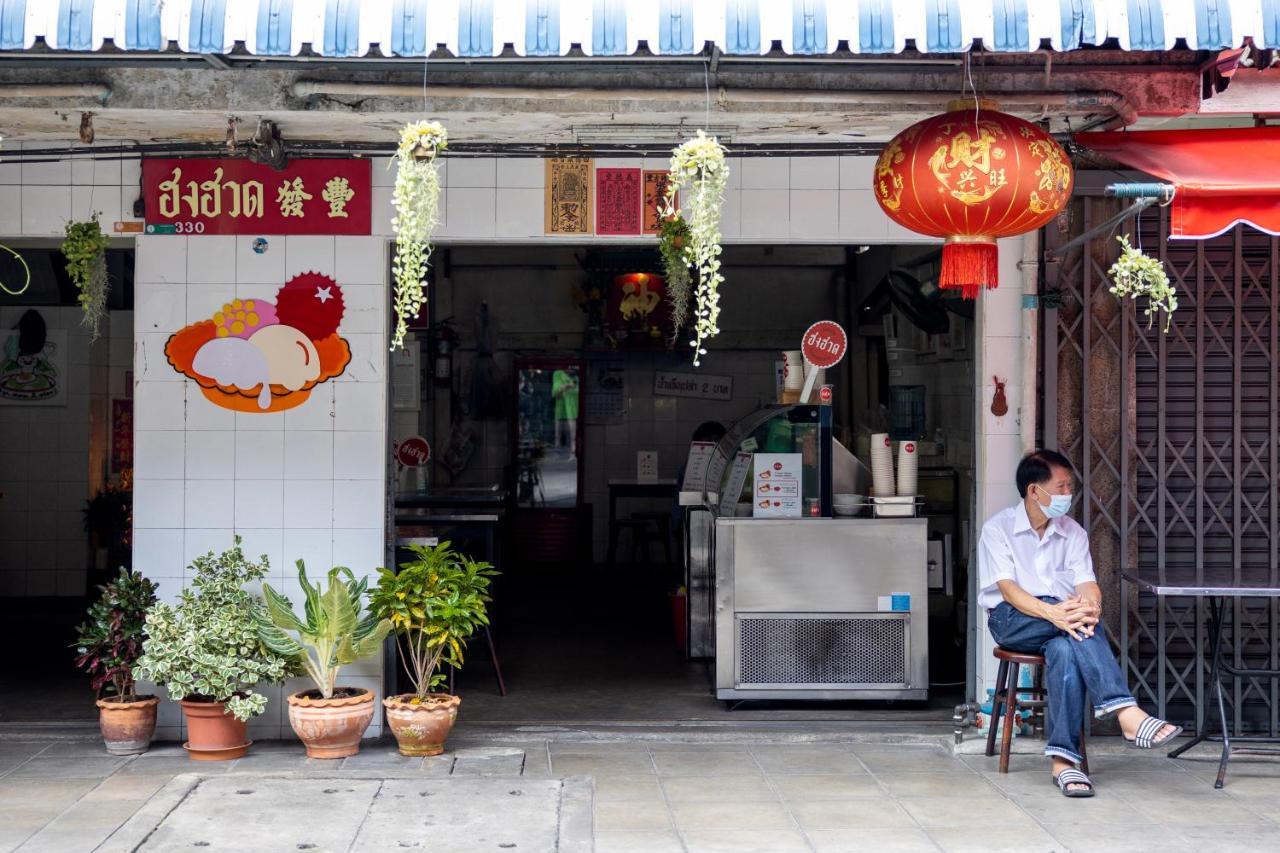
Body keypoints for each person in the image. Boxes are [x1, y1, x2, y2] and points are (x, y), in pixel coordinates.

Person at [978, 449, 1182, 798]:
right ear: (1033, 491)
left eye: (1069, 487)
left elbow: (1086, 582)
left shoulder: (1072, 532)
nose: (1067, 495)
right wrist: (1057, 614)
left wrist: (1091, 607)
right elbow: (1009, 591)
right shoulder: (998, 530)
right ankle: (1124, 711)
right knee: (1072, 623)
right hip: (1012, 620)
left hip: (1062, 622)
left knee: (1066, 648)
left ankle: (1064, 764)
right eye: (1060, 487)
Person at [551, 368, 579, 459]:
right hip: (561, 410)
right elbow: (555, 392)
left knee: (572, 434)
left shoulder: (577, 377)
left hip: (572, 409)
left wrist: (566, 388)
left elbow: (577, 391)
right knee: (558, 433)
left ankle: (572, 453)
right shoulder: (558, 373)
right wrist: (567, 386)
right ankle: (557, 453)